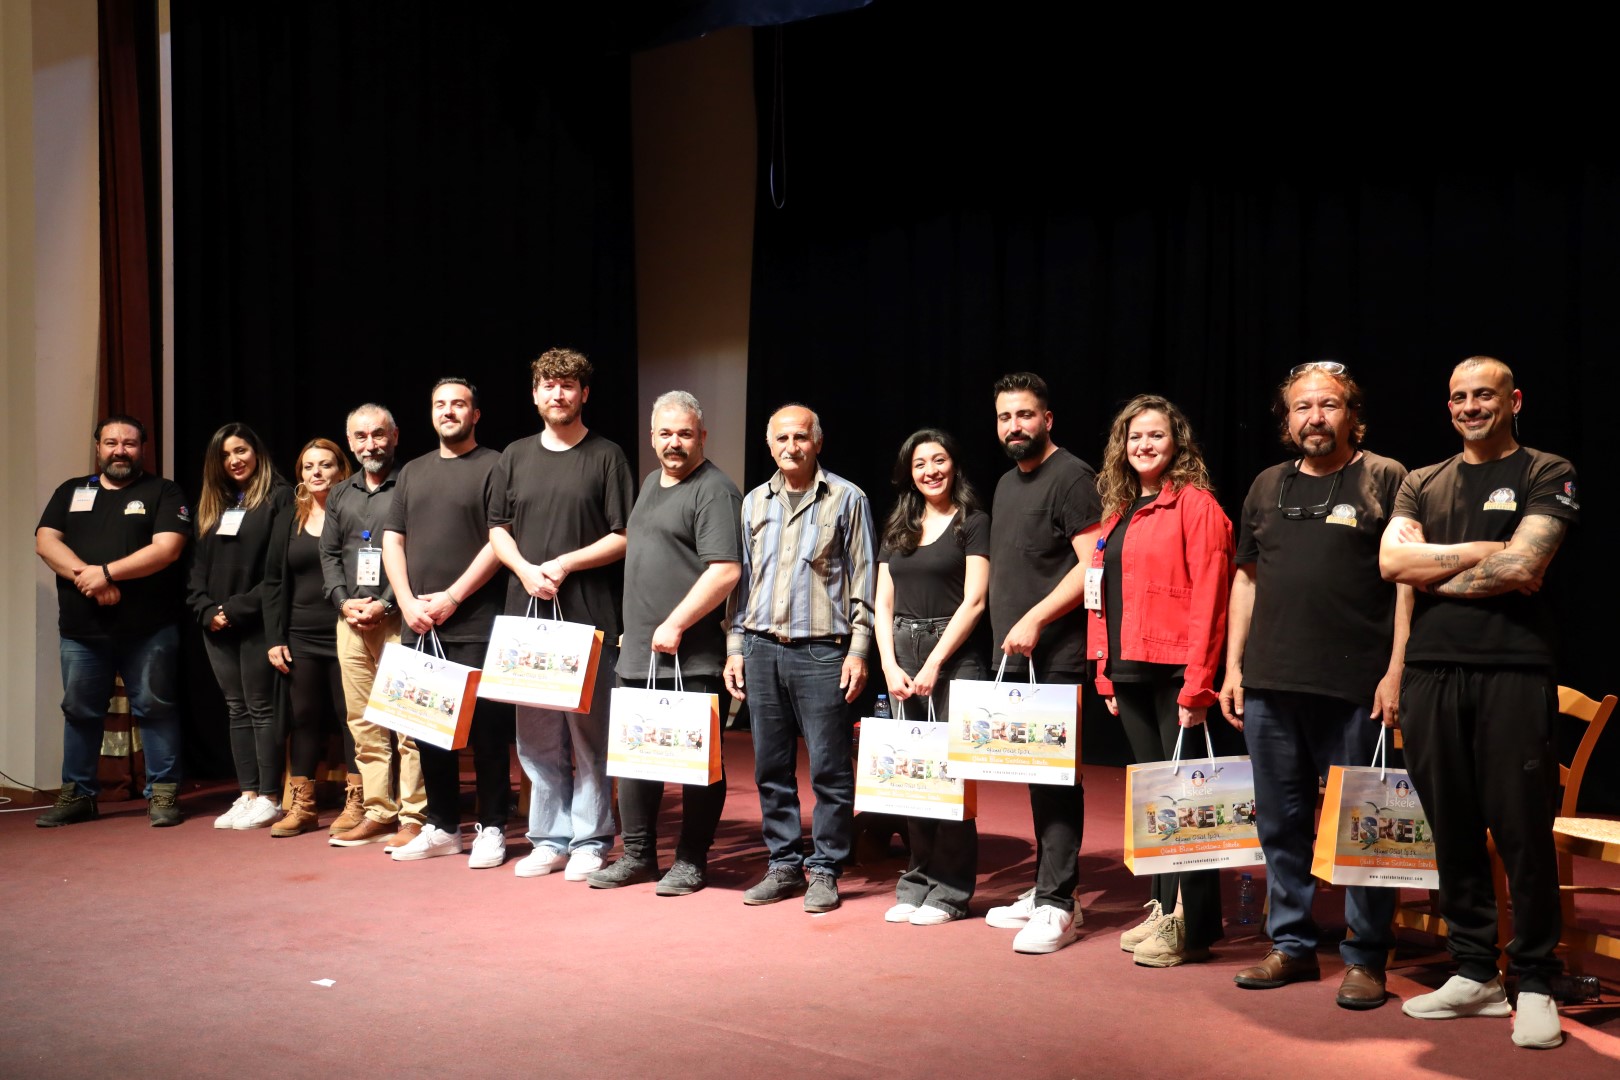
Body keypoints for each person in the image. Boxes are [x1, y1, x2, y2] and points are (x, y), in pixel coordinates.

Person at [1379, 356, 1579, 1050]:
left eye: (1485, 395)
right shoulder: (1420, 481)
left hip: (1512, 671)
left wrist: (1433, 569)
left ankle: (1536, 980)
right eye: (1460, 396)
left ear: (1513, 400)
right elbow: (1391, 566)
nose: (1471, 406)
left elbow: (1524, 563)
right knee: (1452, 827)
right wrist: (1478, 552)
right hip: (1430, 673)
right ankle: (1474, 973)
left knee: (1522, 830)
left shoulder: (1547, 470)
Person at [1219, 362, 1411, 1008]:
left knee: (1365, 823)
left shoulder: (1385, 477)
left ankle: (1367, 955)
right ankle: (1292, 945)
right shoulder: (1265, 484)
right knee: (1281, 823)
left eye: (1328, 405)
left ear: (1353, 414)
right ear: (1287, 420)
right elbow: (1245, 579)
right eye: (1302, 407)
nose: (1315, 417)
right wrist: (1233, 667)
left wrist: (1396, 670)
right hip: (1272, 682)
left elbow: (1407, 582)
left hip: (1357, 687)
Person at [1076, 394, 1231, 968]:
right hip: (1129, 670)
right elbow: (1102, 597)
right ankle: (1164, 907)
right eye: (1134, 436)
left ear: (1177, 442)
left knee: (1186, 801)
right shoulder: (1119, 511)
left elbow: (1212, 601)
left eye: (1156, 435)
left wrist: (1199, 685)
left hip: (1175, 675)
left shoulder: (1196, 506)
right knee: (1156, 803)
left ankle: (1193, 923)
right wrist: (1104, 672)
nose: (1144, 445)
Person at [586, 391, 741, 895]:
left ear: (703, 437)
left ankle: (691, 860)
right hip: (639, 653)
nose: (675, 443)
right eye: (666, 433)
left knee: (698, 763)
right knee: (636, 758)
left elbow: (725, 570)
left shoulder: (715, 490)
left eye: (685, 434)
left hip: (690, 655)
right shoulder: (652, 482)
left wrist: (674, 623)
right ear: (652, 437)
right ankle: (638, 856)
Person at [724, 404, 876, 913]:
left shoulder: (848, 498)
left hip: (822, 652)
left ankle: (826, 868)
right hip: (761, 648)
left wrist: (859, 650)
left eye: (801, 437)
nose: (792, 447)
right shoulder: (752, 502)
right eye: (782, 439)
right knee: (770, 767)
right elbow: (742, 584)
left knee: (830, 770)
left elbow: (865, 580)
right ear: (770, 446)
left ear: (818, 442)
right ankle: (784, 865)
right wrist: (735, 647)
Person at [489, 348, 633, 881]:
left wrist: (565, 563)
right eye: (548, 385)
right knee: (536, 739)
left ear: (584, 394)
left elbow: (624, 535)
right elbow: (498, 529)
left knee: (590, 738)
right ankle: (549, 839)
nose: (558, 393)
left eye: (568, 385)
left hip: (587, 618)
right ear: (535, 394)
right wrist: (526, 570)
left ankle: (591, 840)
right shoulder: (514, 455)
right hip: (527, 617)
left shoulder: (606, 456)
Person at [981, 372, 1100, 954]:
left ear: (1047, 419)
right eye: (1005, 417)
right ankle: (1046, 887)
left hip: (1057, 654)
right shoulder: (1007, 483)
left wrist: (1035, 619)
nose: (1015, 426)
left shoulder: (1073, 477)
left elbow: (1092, 565)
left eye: (1025, 415)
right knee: (1034, 774)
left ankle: (1058, 905)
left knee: (1056, 778)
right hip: (1015, 658)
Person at [34, 415, 192, 827]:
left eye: (129, 443)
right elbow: (46, 541)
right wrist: (89, 579)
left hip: (149, 629)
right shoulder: (71, 490)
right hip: (82, 632)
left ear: (142, 449)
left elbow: (167, 549)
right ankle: (78, 795)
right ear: (98, 448)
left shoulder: (164, 491)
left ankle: (163, 793)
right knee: (79, 712)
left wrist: (106, 574)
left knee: (155, 708)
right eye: (111, 443)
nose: (120, 450)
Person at [382, 378, 512, 867]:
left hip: (477, 620)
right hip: (420, 622)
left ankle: (492, 827)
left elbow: (500, 538)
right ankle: (442, 827)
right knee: (428, 730)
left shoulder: (496, 465)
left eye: (459, 404)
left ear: (475, 414)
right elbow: (393, 539)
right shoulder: (413, 471)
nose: (449, 411)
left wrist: (454, 596)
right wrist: (406, 602)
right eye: (440, 404)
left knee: (487, 733)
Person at [873, 428, 989, 925]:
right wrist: (888, 664)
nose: (930, 471)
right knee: (911, 774)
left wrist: (935, 663)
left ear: (953, 465)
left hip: (953, 654)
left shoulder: (973, 522)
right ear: (910, 472)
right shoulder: (899, 525)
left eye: (938, 460)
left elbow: (975, 601)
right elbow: (882, 603)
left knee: (951, 776)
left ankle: (951, 892)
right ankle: (915, 882)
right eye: (920, 464)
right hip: (901, 651)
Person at [320, 403, 426, 850]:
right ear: (350, 442)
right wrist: (344, 602)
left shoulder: (413, 484)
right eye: (361, 437)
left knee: (408, 723)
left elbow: (420, 552)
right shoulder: (340, 494)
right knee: (363, 722)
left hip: (398, 618)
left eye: (378, 435)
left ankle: (415, 816)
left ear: (395, 436)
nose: (371, 444)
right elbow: (328, 554)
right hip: (350, 622)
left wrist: (384, 603)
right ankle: (379, 811)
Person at [187, 423, 294, 831]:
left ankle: (270, 796)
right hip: (216, 624)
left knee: (262, 708)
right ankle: (247, 794)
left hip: (257, 621)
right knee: (236, 708)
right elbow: (196, 567)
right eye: (225, 455)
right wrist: (204, 610)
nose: (234, 460)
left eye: (241, 451)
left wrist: (234, 609)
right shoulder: (214, 504)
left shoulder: (279, 497)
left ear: (257, 452)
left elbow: (279, 572)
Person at [264, 437, 361, 837]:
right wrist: (275, 637)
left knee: (349, 717)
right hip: (301, 634)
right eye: (308, 466)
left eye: (325, 465)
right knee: (303, 717)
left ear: (341, 470)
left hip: (349, 629)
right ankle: (302, 805)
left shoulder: (355, 511)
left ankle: (359, 802)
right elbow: (273, 581)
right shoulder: (290, 517)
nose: (316, 472)